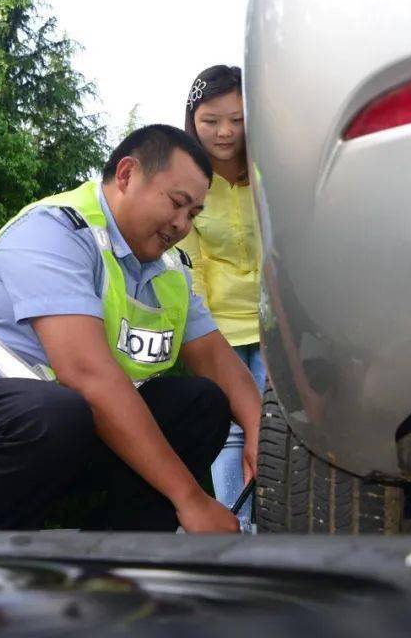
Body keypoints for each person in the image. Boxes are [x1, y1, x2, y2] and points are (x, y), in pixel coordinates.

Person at [0, 125, 263, 533]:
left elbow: (215, 359)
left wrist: (262, 438)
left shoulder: (169, 270)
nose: (181, 225)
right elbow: (85, 376)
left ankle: (117, 573)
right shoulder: (53, 232)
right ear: (126, 175)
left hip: (58, 442)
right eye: (177, 203)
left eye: (193, 214)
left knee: (200, 402)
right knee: (56, 408)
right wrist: (191, 500)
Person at [177, 65, 263, 532]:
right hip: (217, 324)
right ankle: (236, 528)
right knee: (230, 430)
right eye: (211, 120)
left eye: (238, 119)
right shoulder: (188, 175)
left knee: (273, 427)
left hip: (275, 323)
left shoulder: (275, 169)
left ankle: (276, 524)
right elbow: (191, 260)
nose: (225, 132)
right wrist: (201, 330)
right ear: (192, 120)